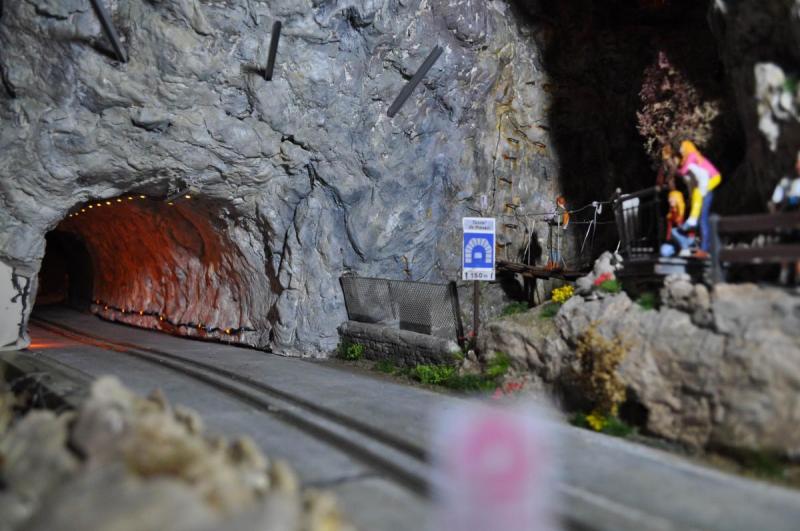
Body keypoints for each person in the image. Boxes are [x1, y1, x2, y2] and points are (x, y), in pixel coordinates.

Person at [675, 140, 722, 255]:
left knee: (703, 220)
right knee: (704, 219)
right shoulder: (693, 159)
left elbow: (684, 170)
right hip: (707, 183)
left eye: (682, 147)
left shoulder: (691, 155)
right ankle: (709, 246)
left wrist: (677, 170)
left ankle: (705, 249)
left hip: (711, 181)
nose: (680, 150)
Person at [546, 196, 570, 270]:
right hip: (560, 231)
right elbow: (565, 226)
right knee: (558, 248)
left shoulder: (555, 210)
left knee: (552, 247)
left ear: (558, 202)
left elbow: (549, 218)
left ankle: (551, 264)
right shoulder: (566, 212)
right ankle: (557, 264)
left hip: (554, 230)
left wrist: (548, 219)